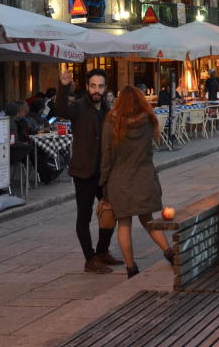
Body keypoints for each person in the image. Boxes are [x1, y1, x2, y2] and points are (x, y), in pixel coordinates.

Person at [55, 68, 123, 274]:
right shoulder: (78, 107)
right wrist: (64, 87)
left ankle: (102, 252)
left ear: (105, 88)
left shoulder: (107, 110)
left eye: (100, 86)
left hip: (104, 172)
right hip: (83, 172)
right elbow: (60, 111)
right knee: (84, 217)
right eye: (93, 86)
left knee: (111, 213)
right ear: (87, 87)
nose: (96, 90)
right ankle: (89, 258)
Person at [100, 86, 172, 278]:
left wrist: (103, 181)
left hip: (120, 179)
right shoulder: (148, 121)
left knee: (124, 223)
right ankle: (169, 252)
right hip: (144, 176)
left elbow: (107, 155)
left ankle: (131, 267)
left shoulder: (112, 121)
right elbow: (149, 152)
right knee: (147, 218)